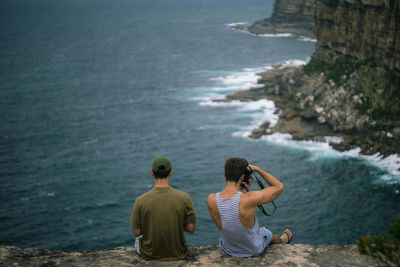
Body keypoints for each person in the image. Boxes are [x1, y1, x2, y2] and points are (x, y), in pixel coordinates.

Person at [207, 157, 292, 258]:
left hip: (227, 248)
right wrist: (257, 169)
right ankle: (283, 240)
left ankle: (256, 231)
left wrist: (244, 191)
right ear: (242, 177)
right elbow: (279, 187)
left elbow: (228, 223)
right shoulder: (249, 199)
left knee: (251, 229)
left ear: (225, 174)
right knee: (268, 234)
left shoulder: (211, 199)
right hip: (252, 250)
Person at [130, 156, 196, 260]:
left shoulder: (140, 200)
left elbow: (137, 232)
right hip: (178, 253)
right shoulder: (184, 198)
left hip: (149, 253)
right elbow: (191, 229)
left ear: (152, 172)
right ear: (171, 172)